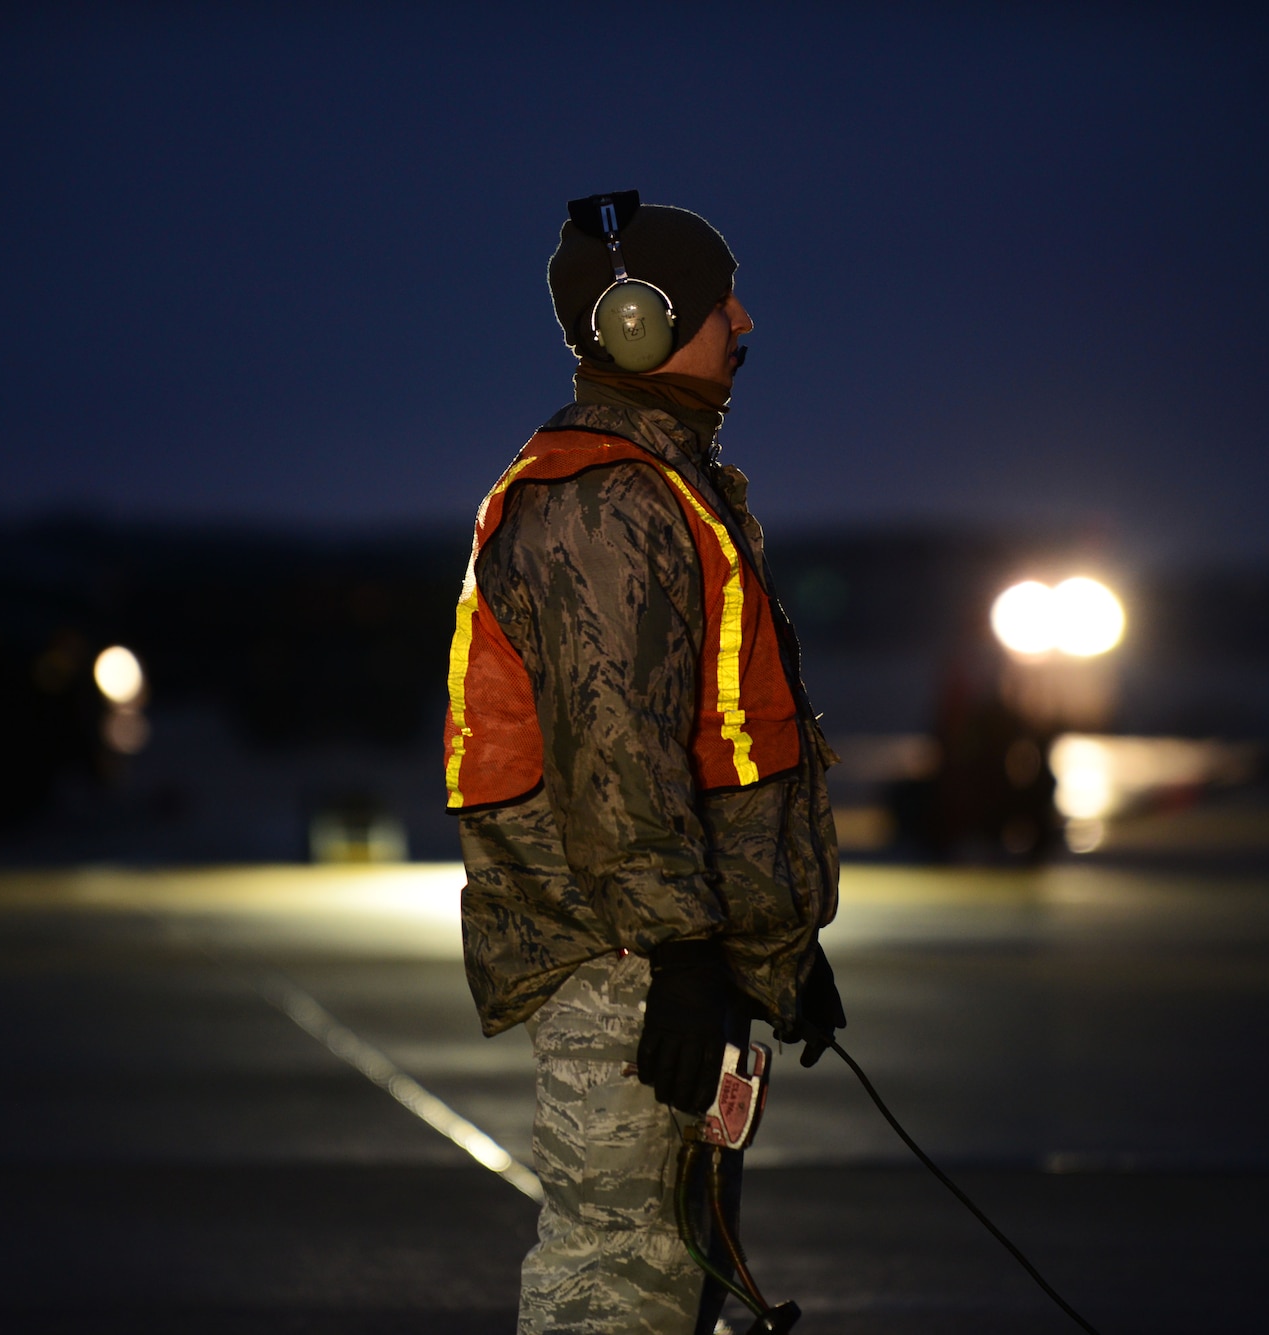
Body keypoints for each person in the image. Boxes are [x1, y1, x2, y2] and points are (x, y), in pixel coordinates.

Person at [442, 194, 845, 1335]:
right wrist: (678, 958)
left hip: (676, 958)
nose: (745, 322)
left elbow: (708, 750)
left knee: (675, 1277)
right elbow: (616, 762)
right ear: (633, 322)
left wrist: (774, 950)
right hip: (624, 964)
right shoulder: (604, 505)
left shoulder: (663, 487)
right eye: (722, 305)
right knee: (614, 1275)